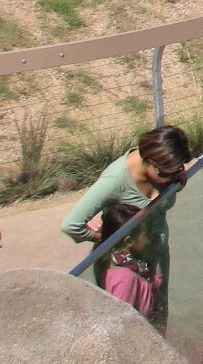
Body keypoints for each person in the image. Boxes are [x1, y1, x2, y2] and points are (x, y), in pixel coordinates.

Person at [61, 125, 192, 318]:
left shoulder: (163, 171)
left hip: (155, 261)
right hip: (127, 273)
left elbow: (163, 190)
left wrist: (177, 179)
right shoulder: (115, 180)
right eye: (166, 173)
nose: (171, 177)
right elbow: (71, 225)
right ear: (148, 161)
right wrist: (105, 237)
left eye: (178, 169)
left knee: (158, 322)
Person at [97, 201, 160, 319]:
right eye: (147, 234)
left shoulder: (134, 264)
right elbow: (123, 323)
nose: (152, 237)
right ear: (129, 241)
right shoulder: (125, 278)